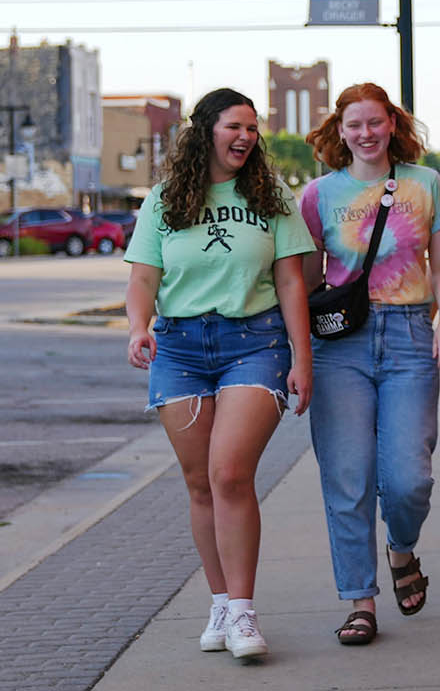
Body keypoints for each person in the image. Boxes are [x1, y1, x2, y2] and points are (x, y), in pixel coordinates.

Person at [123, 88, 314, 660]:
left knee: (230, 473)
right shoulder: (164, 199)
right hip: (179, 347)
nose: (246, 137)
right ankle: (221, 601)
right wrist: (138, 327)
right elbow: (141, 279)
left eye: (253, 129)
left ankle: (245, 613)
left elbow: (290, 283)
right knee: (200, 482)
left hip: (254, 342)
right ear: (205, 129)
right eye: (235, 126)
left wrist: (302, 359)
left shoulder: (271, 195)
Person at [298, 83, 440, 645]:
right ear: (339, 131)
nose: (365, 133)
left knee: (409, 476)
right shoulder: (319, 195)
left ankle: (402, 546)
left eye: (375, 122)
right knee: (347, 477)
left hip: (412, 336)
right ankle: (360, 601)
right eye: (354, 124)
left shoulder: (424, 184)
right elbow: (303, 277)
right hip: (341, 344)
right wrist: (298, 350)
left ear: (392, 123)